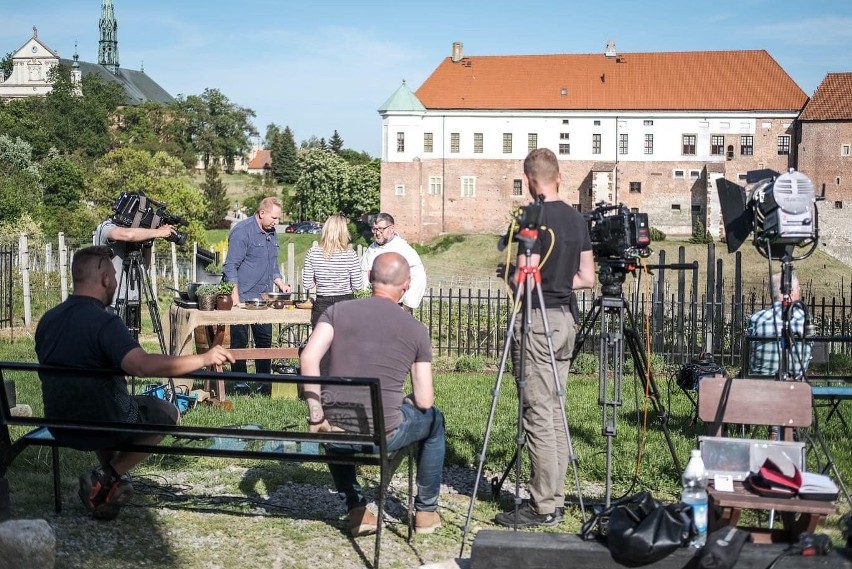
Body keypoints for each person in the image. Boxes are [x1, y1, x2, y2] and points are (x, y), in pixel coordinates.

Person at [35, 246, 235, 521]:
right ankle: (107, 476)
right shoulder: (104, 322)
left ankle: (107, 490)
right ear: (105, 279)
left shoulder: (48, 320)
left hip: (61, 424)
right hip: (103, 422)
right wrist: (204, 358)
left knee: (102, 405)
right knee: (167, 413)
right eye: (114, 277)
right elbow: (140, 365)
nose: (116, 283)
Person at [301, 252, 445, 537]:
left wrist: (316, 413)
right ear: (406, 285)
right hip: (383, 433)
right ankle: (426, 512)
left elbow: (308, 358)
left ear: (369, 279)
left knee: (333, 421)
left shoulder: (337, 312)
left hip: (336, 428)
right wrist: (406, 403)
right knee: (435, 422)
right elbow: (426, 401)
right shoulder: (415, 329)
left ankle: (356, 508)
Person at [494, 148, 596, 528]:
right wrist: (556, 282)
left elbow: (523, 277)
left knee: (537, 413)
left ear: (528, 179)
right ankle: (553, 496)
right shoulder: (576, 218)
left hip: (536, 322)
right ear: (559, 176)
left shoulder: (530, 218)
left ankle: (542, 506)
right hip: (565, 320)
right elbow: (587, 278)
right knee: (554, 411)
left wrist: (506, 271)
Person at [223, 196, 291, 381]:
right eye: (274, 218)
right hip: (243, 297)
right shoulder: (242, 232)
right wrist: (234, 297)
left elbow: (272, 264)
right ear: (262, 213)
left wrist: (281, 284)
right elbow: (230, 266)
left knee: (264, 341)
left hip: (264, 299)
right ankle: (239, 381)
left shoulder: (271, 232)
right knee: (239, 342)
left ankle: (264, 381)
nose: (276, 222)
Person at [93, 209, 177, 314]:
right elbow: (128, 235)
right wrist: (158, 232)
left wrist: (148, 243)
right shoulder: (106, 227)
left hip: (132, 299)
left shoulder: (136, 232)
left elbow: (144, 267)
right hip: (111, 302)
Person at [302, 214, 365, 329]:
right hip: (346, 305)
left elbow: (307, 284)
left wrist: (320, 279)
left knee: (323, 344)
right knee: (345, 345)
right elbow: (358, 286)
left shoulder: (313, 253)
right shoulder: (350, 254)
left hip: (322, 304)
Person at [747, 271, 812, 378]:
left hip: (760, 384)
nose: (799, 292)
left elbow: (749, 353)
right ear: (790, 292)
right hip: (796, 384)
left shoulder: (757, 319)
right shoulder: (804, 318)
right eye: (798, 289)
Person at [360, 213, 427, 311]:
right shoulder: (370, 249)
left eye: (381, 229)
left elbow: (419, 277)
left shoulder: (403, 249)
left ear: (391, 228)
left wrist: (406, 306)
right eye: (375, 229)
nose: (377, 233)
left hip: (395, 307)